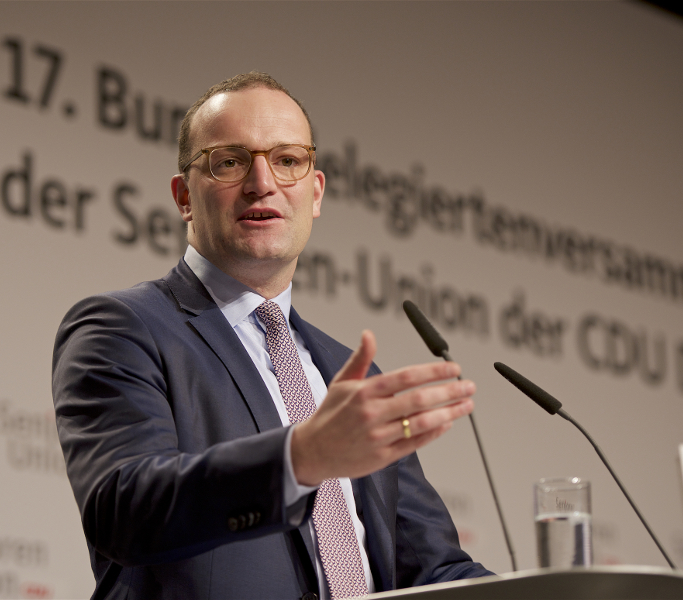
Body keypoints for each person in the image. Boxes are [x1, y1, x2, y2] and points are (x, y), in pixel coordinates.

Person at [52, 72, 492, 600]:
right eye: (229, 162)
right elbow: (123, 512)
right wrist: (301, 457)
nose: (262, 182)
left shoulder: (347, 373)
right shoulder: (121, 328)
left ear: (316, 193)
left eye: (287, 160)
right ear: (184, 196)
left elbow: (433, 570)